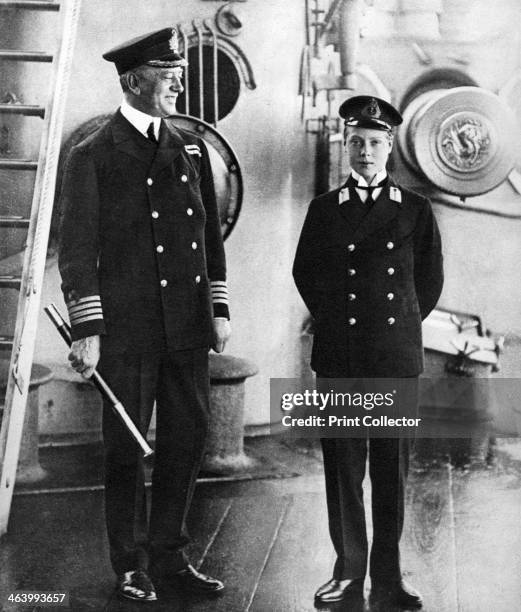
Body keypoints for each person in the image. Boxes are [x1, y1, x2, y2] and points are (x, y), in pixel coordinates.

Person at [58, 28, 231, 603]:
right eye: (166, 71)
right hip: (128, 330)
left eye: (178, 70)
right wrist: (87, 329)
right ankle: (129, 563)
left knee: (188, 437)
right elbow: (79, 251)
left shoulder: (191, 147)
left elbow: (208, 237)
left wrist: (219, 307)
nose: (179, 79)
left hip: (186, 323)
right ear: (134, 80)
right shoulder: (94, 155)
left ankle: (171, 556)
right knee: (126, 448)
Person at [292, 95, 443, 609]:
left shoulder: (416, 211)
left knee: (390, 471)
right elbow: (305, 273)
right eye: (356, 142)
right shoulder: (323, 210)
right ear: (345, 146)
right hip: (341, 358)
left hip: (394, 360)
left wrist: (394, 328)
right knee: (343, 471)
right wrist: (340, 321)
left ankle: (390, 576)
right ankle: (348, 573)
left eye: (375, 143)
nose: (365, 151)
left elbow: (430, 280)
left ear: (389, 149)